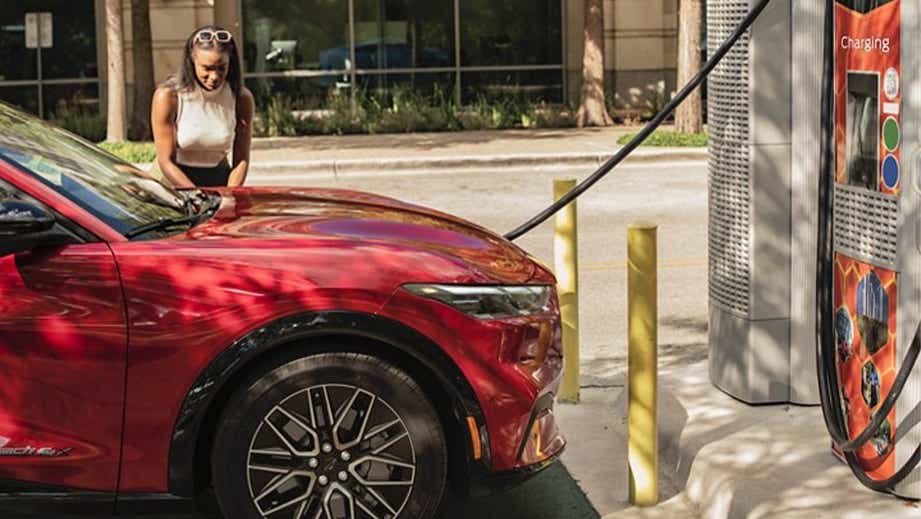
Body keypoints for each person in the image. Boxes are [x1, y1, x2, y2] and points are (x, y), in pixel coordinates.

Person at [151, 26, 255, 188]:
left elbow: (241, 159)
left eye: (221, 68)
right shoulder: (168, 96)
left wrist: (230, 193)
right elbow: (166, 161)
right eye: (207, 68)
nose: (214, 76)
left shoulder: (241, 98)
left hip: (218, 179)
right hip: (173, 181)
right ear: (192, 60)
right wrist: (196, 195)